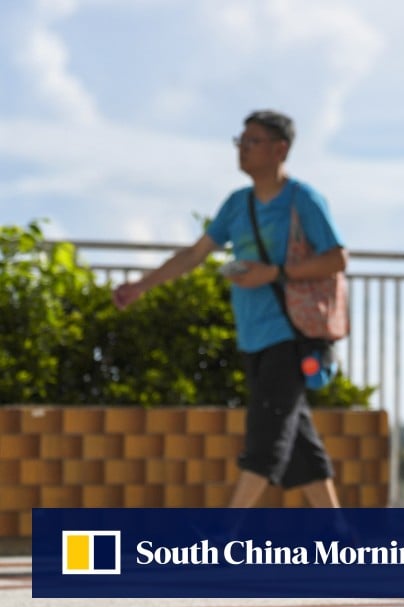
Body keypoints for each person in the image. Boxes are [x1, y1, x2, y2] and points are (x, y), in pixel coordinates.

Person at [113, 109, 348, 509]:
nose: (242, 149)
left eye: (252, 141)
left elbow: (336, 259)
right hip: (253, 334)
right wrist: (141, 286)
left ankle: (226, 533)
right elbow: (195, 254)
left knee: (266, 438)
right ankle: (338, 533)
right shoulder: (237, 205)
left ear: (280, 150)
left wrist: (272, 273)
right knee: (298, 443)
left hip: (291, 334)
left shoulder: (302, 199)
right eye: (240, 141)